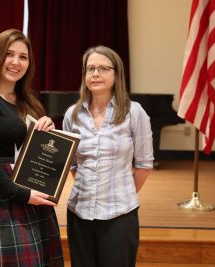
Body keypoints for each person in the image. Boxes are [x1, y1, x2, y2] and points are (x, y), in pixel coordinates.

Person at [0, 29, 64, 266]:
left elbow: (35, 149)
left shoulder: (28, 100)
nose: (16, 62)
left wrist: (46, 126)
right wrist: (18, 192)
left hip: (29, 187)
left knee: (39, 259)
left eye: (23, 57)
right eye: (9, 54)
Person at [62, 45, 154, 267]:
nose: (95, 74)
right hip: (79, 212)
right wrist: (90, 189)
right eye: (90, 68)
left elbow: (143, 165)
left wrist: (118, 191)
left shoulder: (134, 112)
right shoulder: (72, 115)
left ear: (116, 74)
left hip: (119, 214)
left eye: (103, 68)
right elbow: (72, 164)